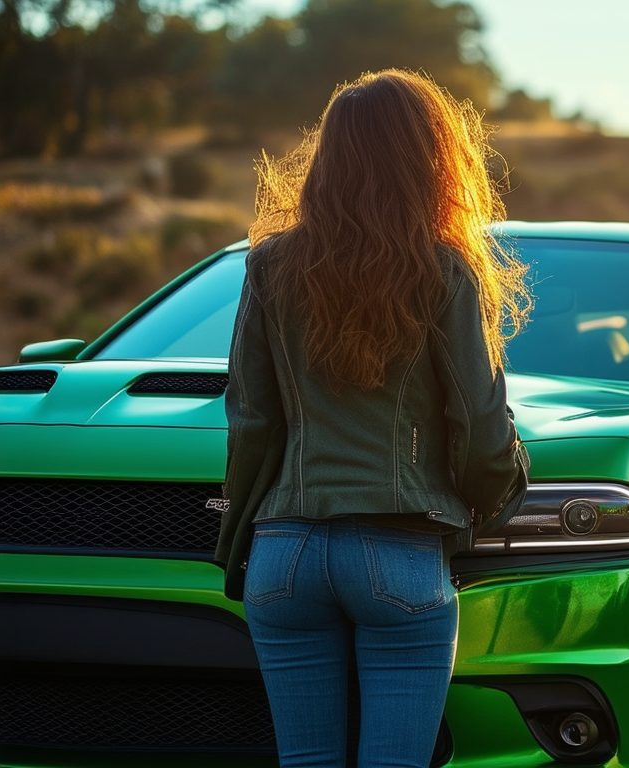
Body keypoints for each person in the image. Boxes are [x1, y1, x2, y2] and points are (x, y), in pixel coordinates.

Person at [213, 69, 531, 768]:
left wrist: (237, 540)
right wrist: (499, 497)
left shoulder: (267, 267)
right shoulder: (445, 271)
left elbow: (252, 421)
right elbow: (480, 426)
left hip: (283, 555)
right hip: (399, 553)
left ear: (329, 157)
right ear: (432, 158)